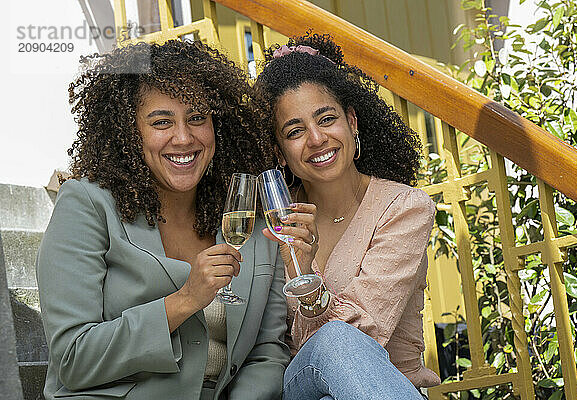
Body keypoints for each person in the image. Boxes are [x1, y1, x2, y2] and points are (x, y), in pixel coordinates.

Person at [36, 40, 289, 400]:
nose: (184, 138)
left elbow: (267, 352)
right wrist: (185, 300)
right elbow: (74, 359)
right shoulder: (88, 204)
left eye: (197, 118)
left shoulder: (247, 215)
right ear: (129, 132)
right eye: (161, 122)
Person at [255, 32, 441, 399]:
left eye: (326, 119)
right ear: (279, 152)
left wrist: (306, 278)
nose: (316, 138)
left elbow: (362, 336)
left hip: (379, 387)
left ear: (352, 122)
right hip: (297, 387)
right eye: (295, 131)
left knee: (340, 340)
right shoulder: (272, 219)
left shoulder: (404, 208)